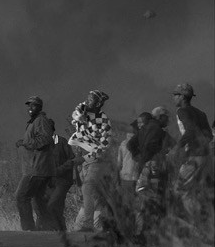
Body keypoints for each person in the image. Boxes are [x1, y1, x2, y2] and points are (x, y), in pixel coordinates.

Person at [69, 89, 112, 233]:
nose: (87, 101)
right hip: (84, 161)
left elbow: (103, 149)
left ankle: (86, 224)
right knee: (93, 195)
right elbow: (76, 113)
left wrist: (84, 158)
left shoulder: (103, 121)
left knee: (87, 188)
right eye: (87, 98)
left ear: (99, 103)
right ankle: (98, 227)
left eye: (91, 99)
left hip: (96, 161)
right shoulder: (82, 109)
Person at [170, 83, 214, 219]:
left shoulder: (182, 111)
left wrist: (176, 148)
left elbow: (190, 130)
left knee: (181, 190)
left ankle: (198, 223)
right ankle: (207, 220)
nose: (173, 98)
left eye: (175, 95)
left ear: (183, 97)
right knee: (197, 191)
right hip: (206, 158)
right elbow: (209, 135)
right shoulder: (201, 113)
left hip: (194, 157)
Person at [14, 96, 55, 231]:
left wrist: (24, 143)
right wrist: (24, 141)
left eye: (34, 105)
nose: (30, 108)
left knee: (21, 196)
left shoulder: (41, 121)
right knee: (38, 201)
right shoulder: (34, 122)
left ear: (40, 107)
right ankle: (50, 230)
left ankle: (28, 230)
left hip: (37, 169)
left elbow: (44, 140)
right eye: (29, 105)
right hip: (39, 168)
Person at [42, 124, 76, 231]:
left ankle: (53, 230)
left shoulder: (62, 142)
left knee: (52, 205)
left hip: (63, 180)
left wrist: (59, 170)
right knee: (55, 208)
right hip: (49, 182)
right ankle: (58, 233)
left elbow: (71, 160)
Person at [117, 121, 141, 196]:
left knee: (127, 202)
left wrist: (118, 180)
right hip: (137, 177)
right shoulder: (140, 143)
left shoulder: (123, 144)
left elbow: (119, 163)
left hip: (125, 177)